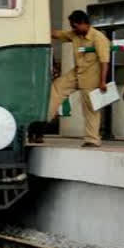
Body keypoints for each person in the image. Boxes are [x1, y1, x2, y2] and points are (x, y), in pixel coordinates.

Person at [48, 10, 110, 147]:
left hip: (92, 77)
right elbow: (58, 34)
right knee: (57, 87)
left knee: (91, 109)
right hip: (76, 73)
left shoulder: (98, 38)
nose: (73, 29)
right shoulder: (76, 34)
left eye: (75, 26)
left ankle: (92, 140)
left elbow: (104, 61)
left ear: (83, 23)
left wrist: (102, 81)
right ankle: (45, 118)